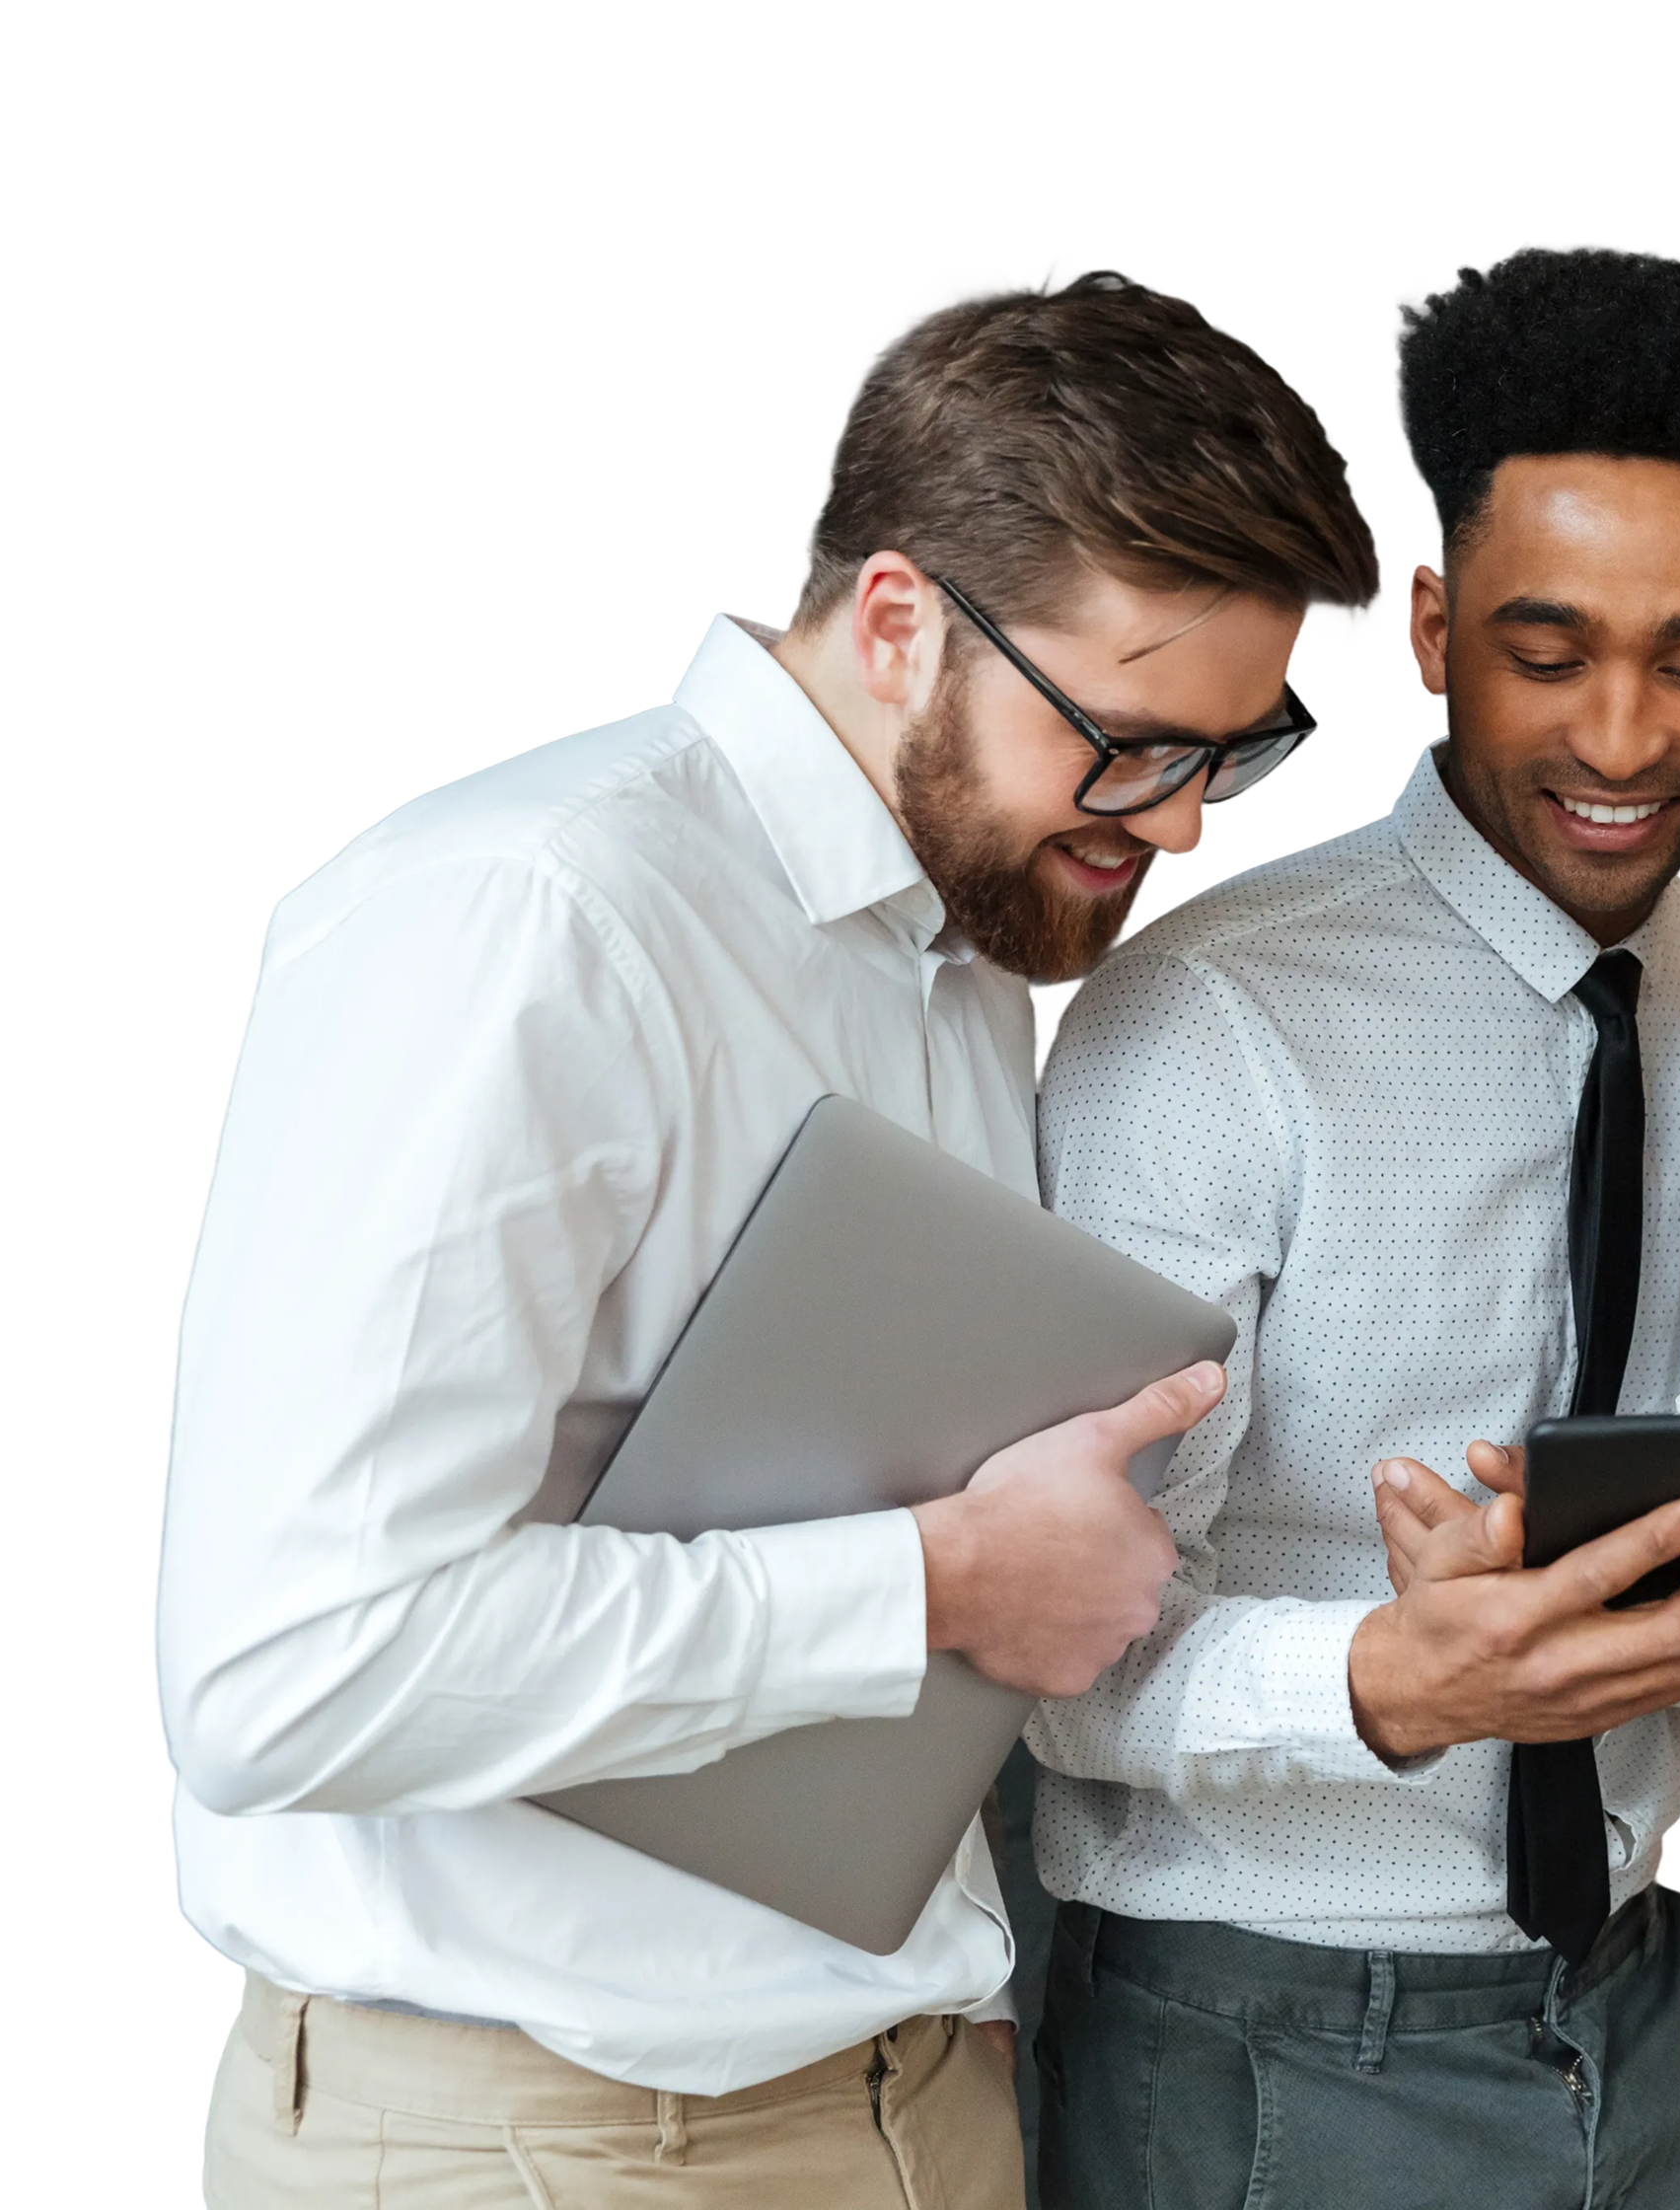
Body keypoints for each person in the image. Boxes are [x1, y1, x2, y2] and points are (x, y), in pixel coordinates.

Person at [164, 267, 1381, 2208]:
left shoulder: (982, 949)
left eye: (1230, 756)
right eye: (1136, 742)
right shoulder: (522, 921)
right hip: (530, 2144)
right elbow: (283, 1672)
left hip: (921, 2104)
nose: (1179, 829)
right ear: (899, 622)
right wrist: (940, 1579)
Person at [1024, 243, 1680, 2210]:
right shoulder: (1202, 1028)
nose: (1624, 735)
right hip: (1267, 2049)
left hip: (1652, 2008)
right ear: (1428, 627)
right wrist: (1390, 1676)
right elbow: (1045, 1659)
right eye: (1545, 646)